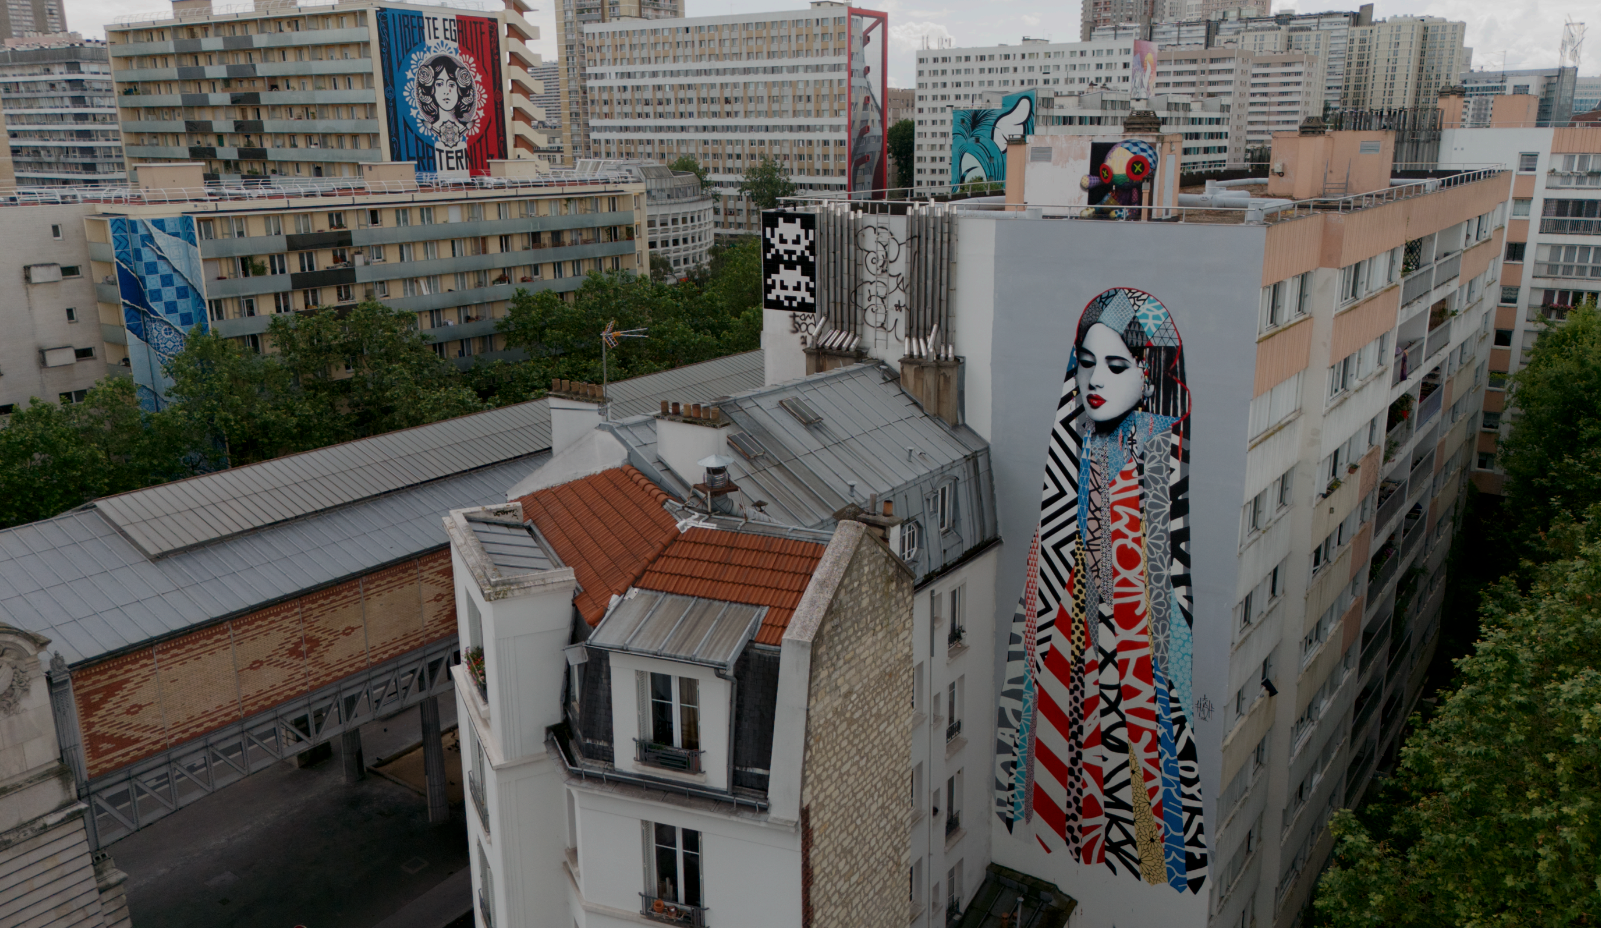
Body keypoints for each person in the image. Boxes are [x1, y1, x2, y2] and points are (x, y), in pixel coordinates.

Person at [995, 286, 1207, 894]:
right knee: (1062, 758)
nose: (1096, 379)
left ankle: (1144, 851)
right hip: (1067, 626)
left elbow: (1166, 574)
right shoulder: (1076, 439)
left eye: (1117, 365)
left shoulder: (1158, 449)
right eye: (1087, 362)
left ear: (1153, 371)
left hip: (1136, 649)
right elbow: (1051, 541)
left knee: (1137, 767)